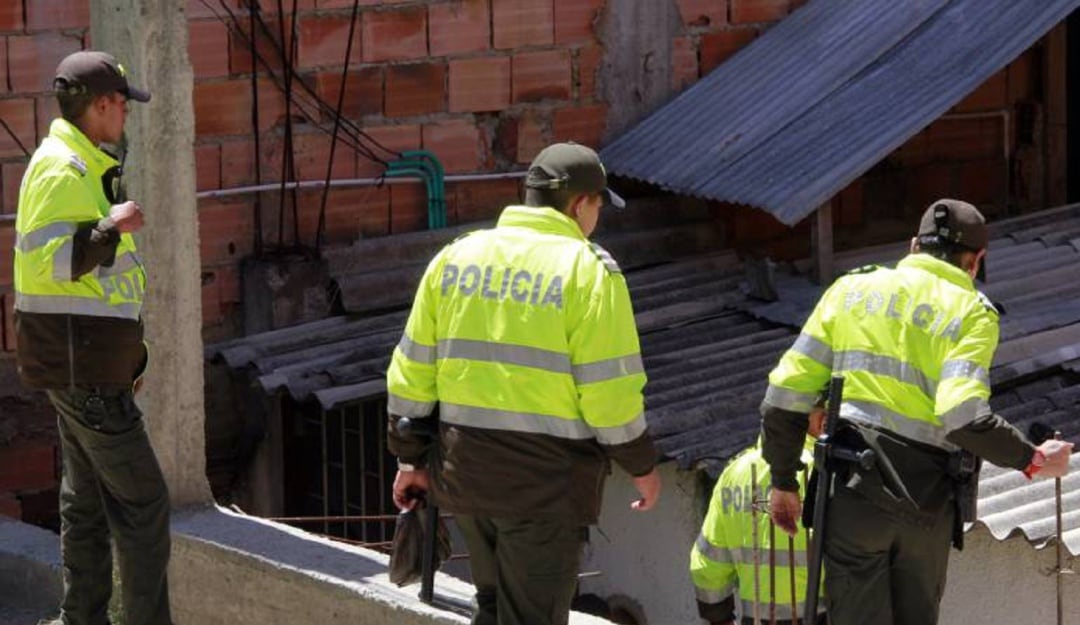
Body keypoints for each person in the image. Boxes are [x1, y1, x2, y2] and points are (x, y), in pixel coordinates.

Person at [760, 199, 1073, 625]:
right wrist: (1033, 458)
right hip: (926, 506)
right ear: (975, 262)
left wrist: (783, 481)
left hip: (852, 496)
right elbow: (961, 414)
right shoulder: (972, 313)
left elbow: (785, 391)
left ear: (913, 246)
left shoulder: (850, 290)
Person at [386, 142, 661, 625]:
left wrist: (410, 459)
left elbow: (411, 375)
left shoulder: (455, 258)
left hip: (464, 477)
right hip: (543, 492)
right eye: (599, 204)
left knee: (491, 608)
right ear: (580, 204)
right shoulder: (588, 271)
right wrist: (642, 465)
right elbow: (608, 396)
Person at [14, 51, 172, 625]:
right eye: (124, 107)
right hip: (81, 367)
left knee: (85, 501)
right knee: (145, 503)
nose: (127, 117)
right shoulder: (65, 169)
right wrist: (112, 227)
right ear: (102, 105)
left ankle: (81, 617)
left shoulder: (81, 160)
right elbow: (48, 261)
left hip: (82, 363)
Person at [691, 407, 827, 625]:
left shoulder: (733, 474)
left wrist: (719, 618)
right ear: (821, 421)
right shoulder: (826, 472)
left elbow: (708, 562)